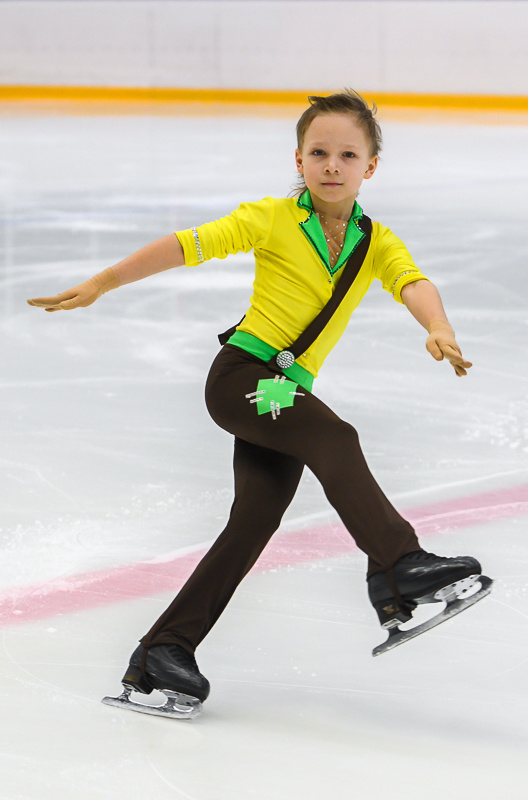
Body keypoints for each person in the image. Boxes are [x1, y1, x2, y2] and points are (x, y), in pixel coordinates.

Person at [28, 89, 483, 713]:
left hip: (284, 391)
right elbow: (189, 244)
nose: (331, 164)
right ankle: (399, 563)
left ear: (369, 166)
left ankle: (165, 652)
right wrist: (104, 281)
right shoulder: (272, 217)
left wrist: (439, 326)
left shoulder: (375, 241)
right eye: (318, 152)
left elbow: (412, 280)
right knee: (335, 438)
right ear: (298, 159)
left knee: (253, 520)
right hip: (245, 376)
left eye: (346, 154)